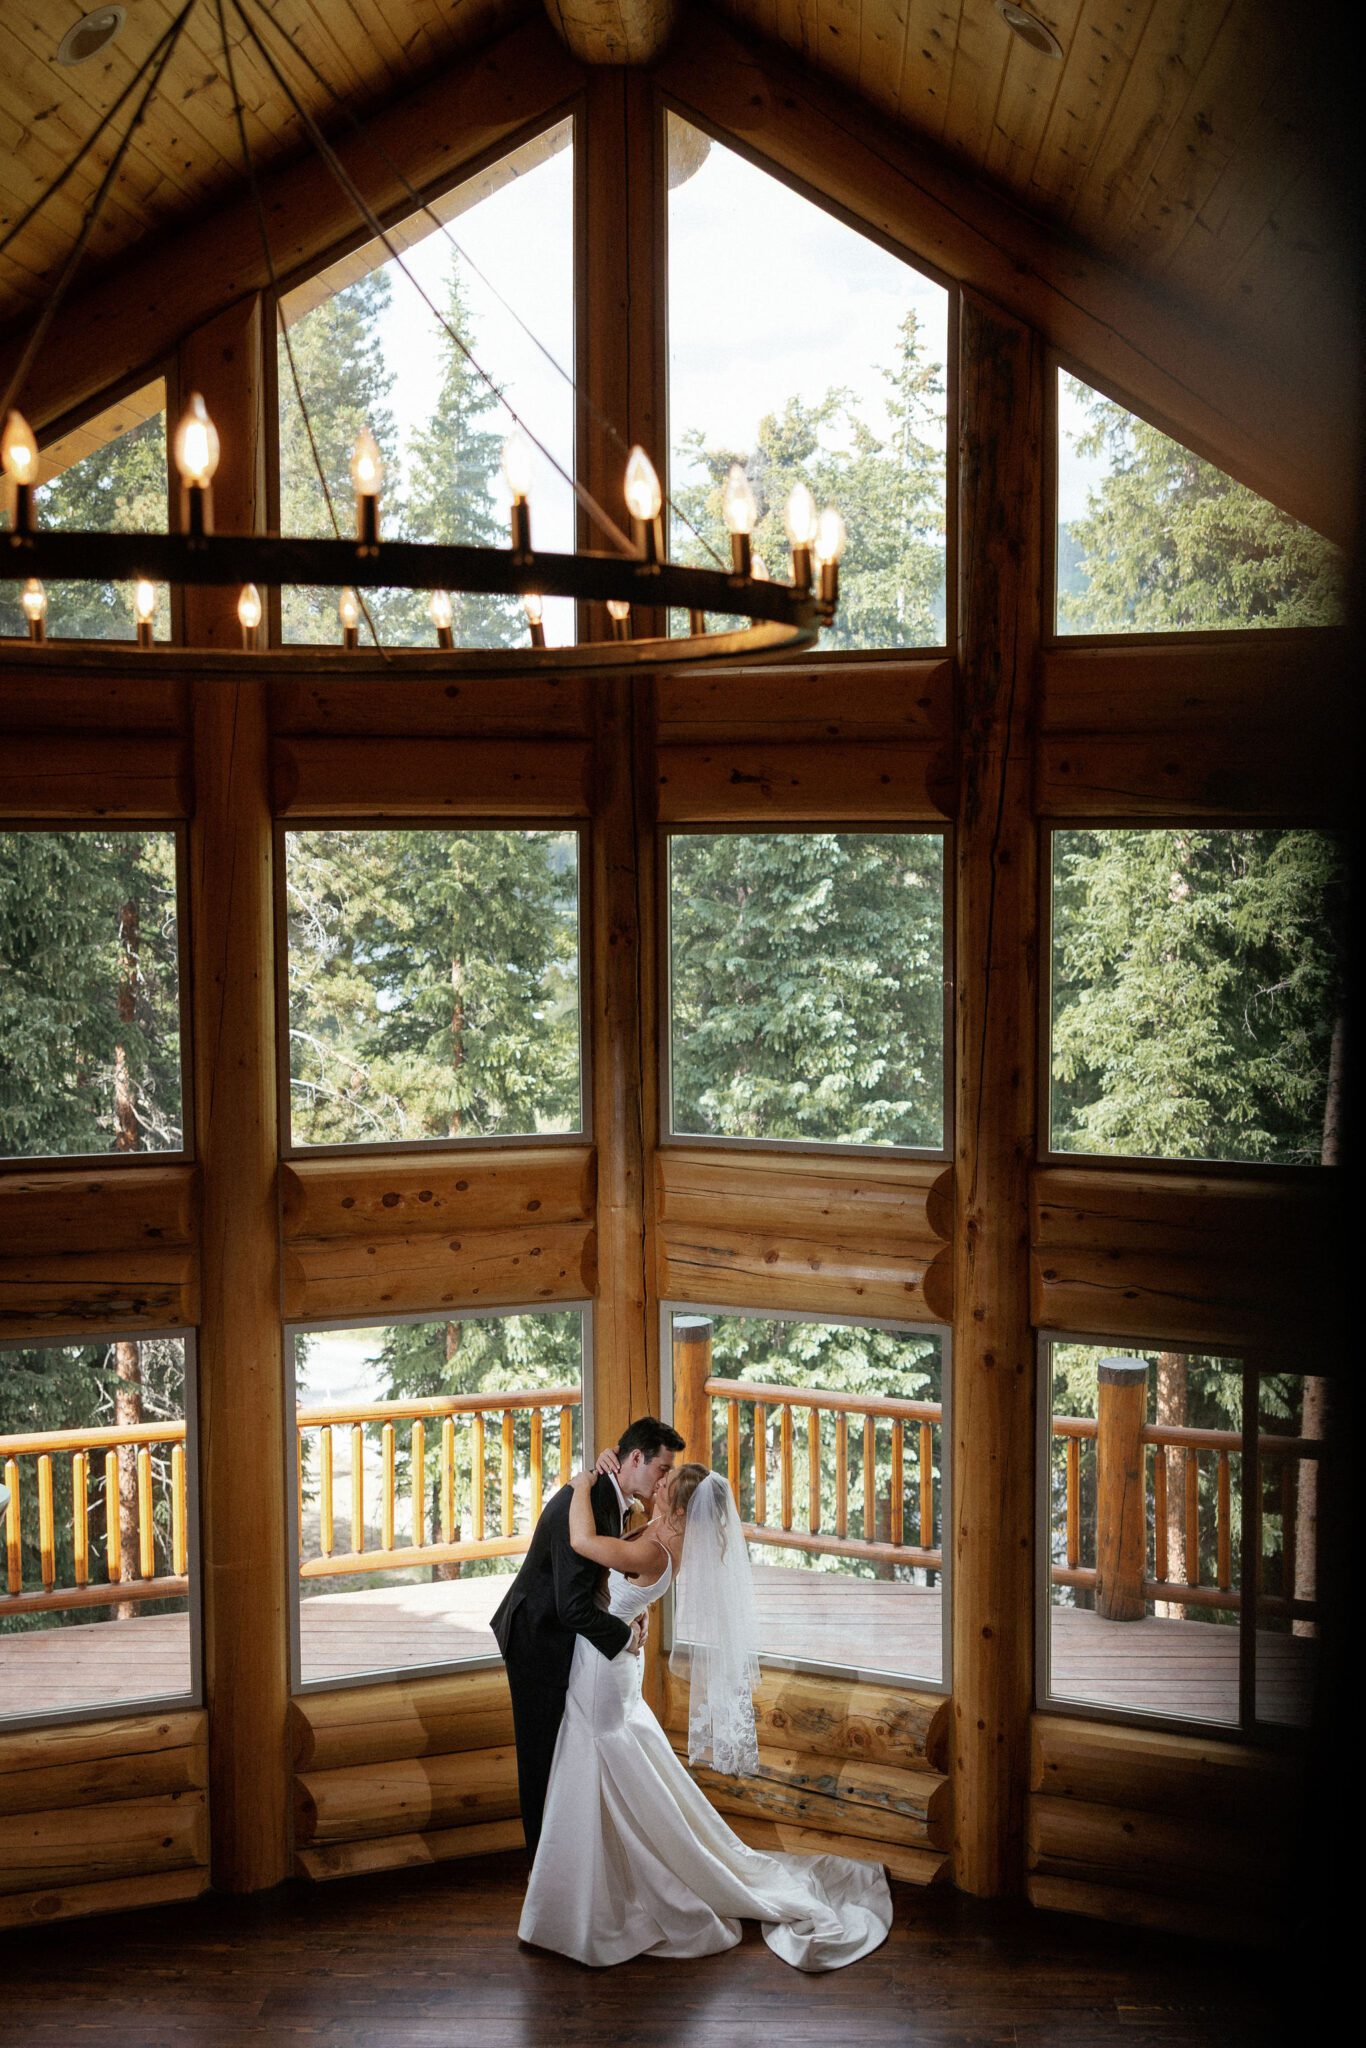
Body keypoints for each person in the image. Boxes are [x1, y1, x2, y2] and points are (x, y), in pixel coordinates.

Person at [517, 1453, 892, 1971]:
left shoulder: (655, 1548)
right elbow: (617, 1574)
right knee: (610, 1766)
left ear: (678, 1506)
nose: (661, 1478)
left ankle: (597, 1903)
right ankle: (598, 1880)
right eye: (662, 1471)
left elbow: (583, 1544)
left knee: (597, 1760)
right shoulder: (659, 1533)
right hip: (612, 1659)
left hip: (603, 1671)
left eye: (668, 1481)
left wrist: (580, 1483)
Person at [490, 1415, 684, 1859]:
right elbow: (570, 1607)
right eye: (660, 1469)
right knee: (541, 1763)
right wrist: (625, 1637)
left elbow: (603, 1579)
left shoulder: (610, 1495)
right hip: (538, 1641)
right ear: (635, 1458)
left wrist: (635, 1610)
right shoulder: (591, 1498)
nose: (663, 1481)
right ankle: (541, 1875)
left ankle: (578, 1861)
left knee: (567, 1756)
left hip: (568, 1640)